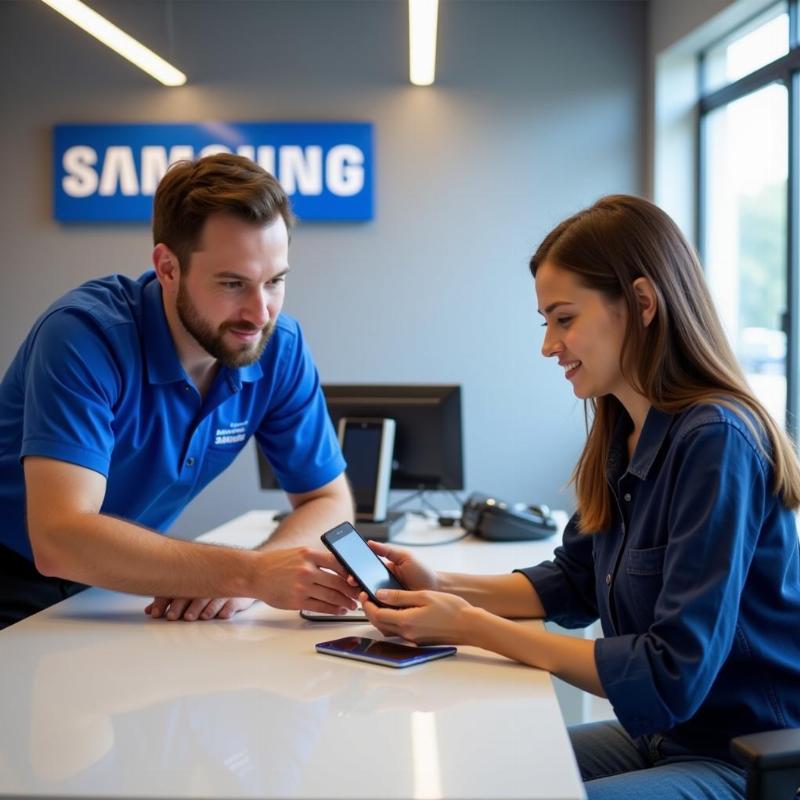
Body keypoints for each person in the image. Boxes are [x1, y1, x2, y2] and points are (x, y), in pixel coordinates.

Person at [359, 195, 800, 799]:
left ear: (642, 303)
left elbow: (670, 673)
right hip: (665, 738)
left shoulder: (716, 440)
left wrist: (472, 627)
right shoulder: (624, 427)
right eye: (546, 322)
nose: (548, 345)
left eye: (563, 319)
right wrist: (440, 587)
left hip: (739, 756)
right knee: (470, 769)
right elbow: (575, 579)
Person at [0, 153, 359, 629]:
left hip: (108, 587)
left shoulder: (278, 346)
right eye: (233, 283)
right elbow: (61, 536)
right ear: (168, 267)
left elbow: (330, 501)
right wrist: (249, 574)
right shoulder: (84, 337)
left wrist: (254, 579)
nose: (260, 313)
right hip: (12, 579)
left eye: (274, 282)